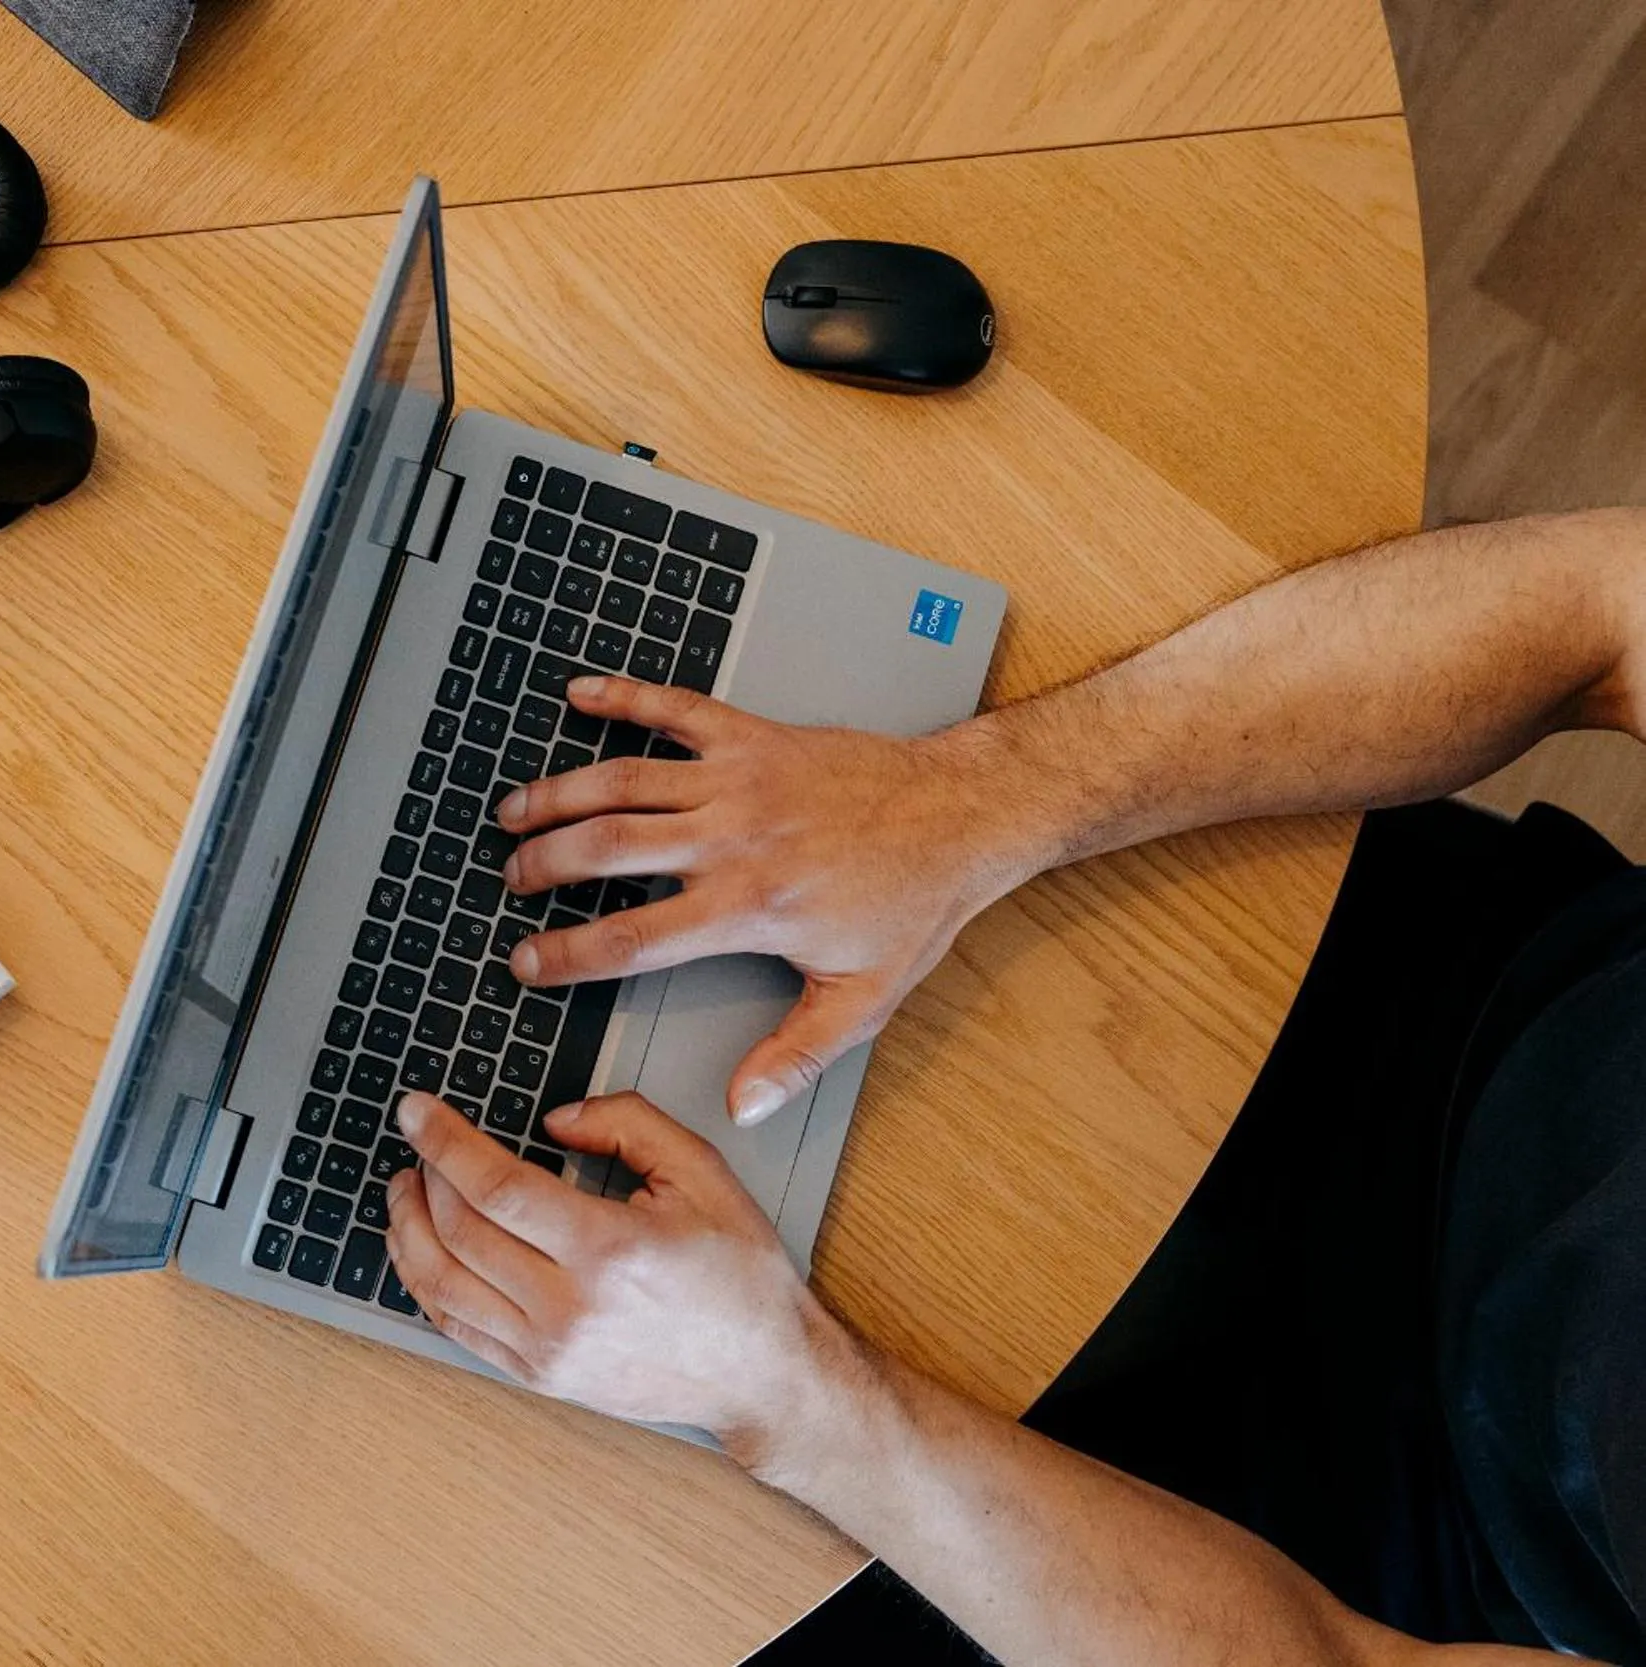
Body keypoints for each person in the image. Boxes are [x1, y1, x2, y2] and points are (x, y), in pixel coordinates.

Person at [380, 507, 1646, 1666]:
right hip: (1453, 978)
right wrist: (970, 797)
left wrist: (785, 1394)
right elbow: (1602, 604)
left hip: (1338, 1538)